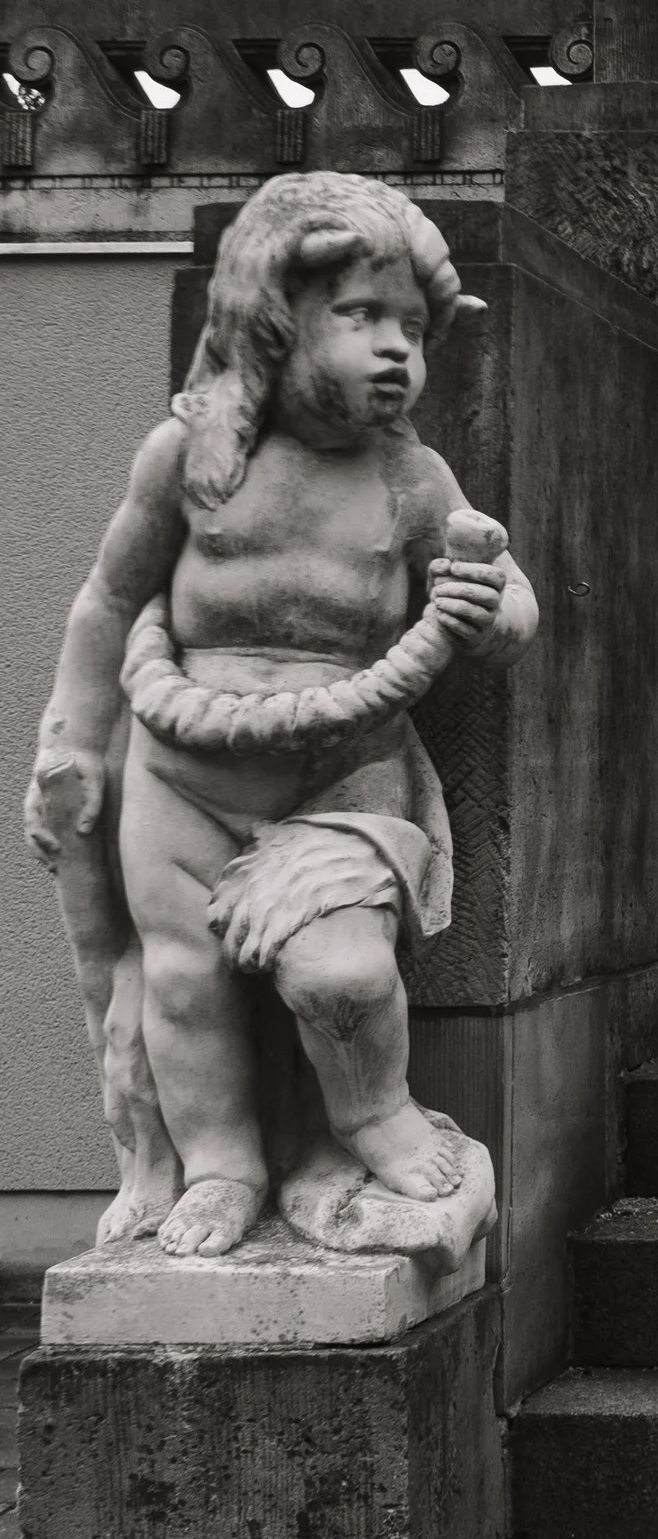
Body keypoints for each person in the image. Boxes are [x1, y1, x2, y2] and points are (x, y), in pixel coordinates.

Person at [23, 171, 536, 1258]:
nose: (398, 349)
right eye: (362, 317)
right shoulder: (193, 457)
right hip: (180, 769)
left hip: (340, 776)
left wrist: (493, 607)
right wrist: (67, 742)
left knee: (342, 975)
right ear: (274, 315)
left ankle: (371, 1118)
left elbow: (513, 601)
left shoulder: (412, 478)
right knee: (185, 977)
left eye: (414, 327)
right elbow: (112, 599)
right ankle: (220, 1165)